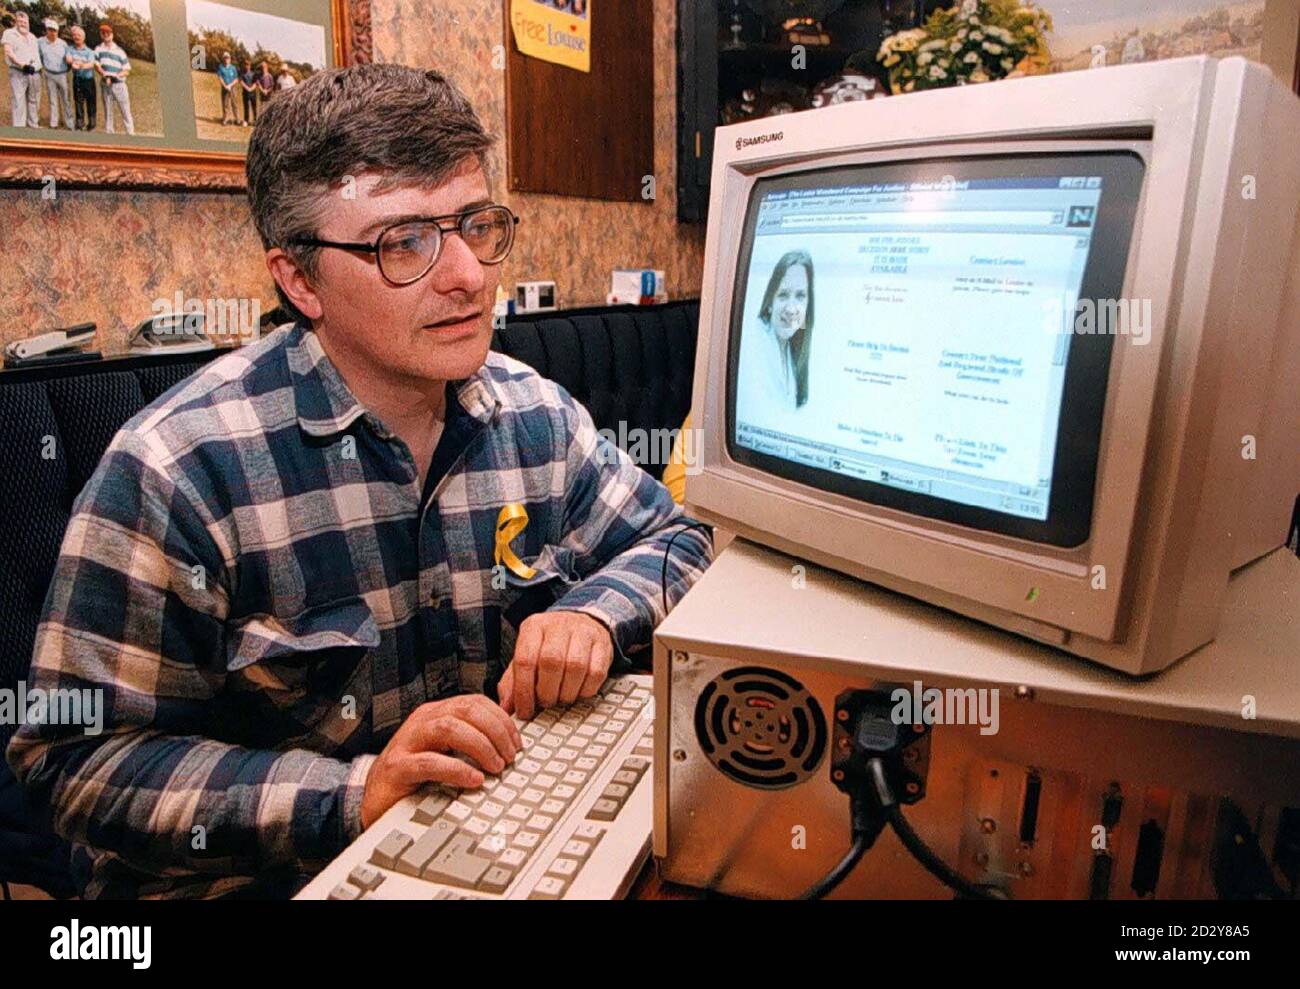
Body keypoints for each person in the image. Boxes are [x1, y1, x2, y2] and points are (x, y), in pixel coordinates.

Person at [6, 63, 712, 899]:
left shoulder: (535, 414)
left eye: (475, 225)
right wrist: (353, 793)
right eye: (404, 242)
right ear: (300, 279)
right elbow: (75, 760)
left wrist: (595, 610)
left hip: (486, 840)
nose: (468, 275)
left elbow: (677, 541)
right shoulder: (178, 468)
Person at [754, 250, 815, 408]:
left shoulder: (791, 348)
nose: (791, 309)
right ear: (770, 302)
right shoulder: (755, 340)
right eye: (783, 295)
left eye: (800, 296)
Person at [94, 21, 132, 135]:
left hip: (119, 84)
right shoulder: (98, 49)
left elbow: (127, 70)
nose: (106, 34)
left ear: (112, 34)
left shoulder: (120, 51)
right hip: (106, 84)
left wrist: (117, 75)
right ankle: (110, 136)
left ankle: (131, 135)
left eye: (108, 32)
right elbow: (96, 65)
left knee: (125, 111)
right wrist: (104, 73)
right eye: (103, 32)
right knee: (108, 113)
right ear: (101, 34)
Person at [2, 10, 39, 128]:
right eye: (20, 21)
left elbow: (36, 55)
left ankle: (33, 126)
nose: (23, 24)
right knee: (19, 101)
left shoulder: (32, 37)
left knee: (33, 100)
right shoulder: (9, 33)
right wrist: (22, 65)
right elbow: (8, 52)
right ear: (16, 22)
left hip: (34, 73)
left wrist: (36, 68)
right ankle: (19, 129)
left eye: (25, 22)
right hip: (18, 71)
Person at [37, 17, 72, 130]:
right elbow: (40, 57)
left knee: (66, 99)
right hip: (49, 74)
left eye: (54, 30)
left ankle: (69, 123)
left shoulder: (63, 43)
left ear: (58, 31)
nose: (52, 33)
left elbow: (69, 59)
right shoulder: (40, 42)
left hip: (62, 74)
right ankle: (54, 123)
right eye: (50, 30)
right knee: (52, 99)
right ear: (46, 30)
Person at [67, 24, 96, 130]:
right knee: (78, 102)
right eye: (74, 35)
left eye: (78, 35)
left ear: (83, 37)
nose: (76, 37)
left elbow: (91, 64)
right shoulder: (70, 49)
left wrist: (81, 65)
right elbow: (68, 59)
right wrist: (76, 62)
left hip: (88, 80)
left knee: (91, 102)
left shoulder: (89, 51)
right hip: (77, 80)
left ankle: (92, 124)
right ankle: (79, 124)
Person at [216, 50, 239, 125]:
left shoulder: (233, 68)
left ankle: (237, 119)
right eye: (225, 58)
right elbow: (220, 77)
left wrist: (230, 85)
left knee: (234, 103)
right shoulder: (221, 67)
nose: (226, 59)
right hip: (225, 88)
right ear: (223, 59)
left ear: (230, 59)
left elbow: (236, 79)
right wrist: (225, 86)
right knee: (225, 104)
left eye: (228, 58)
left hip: (232, 88)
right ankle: (225, 119)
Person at [238, 57, 258, 126]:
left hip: (253, 94)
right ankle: (246, 120)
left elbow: (255, 83)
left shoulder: (253, 74)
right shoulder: (242, 74)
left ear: (250, 65)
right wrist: (247, 88)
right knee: (246, 107)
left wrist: (251, 89)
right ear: (244, 65)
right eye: (245, 64)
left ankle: (255, 120)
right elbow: (241, 82)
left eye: (248, 65)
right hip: (245, 93)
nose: (247, 66)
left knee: (254, 107)